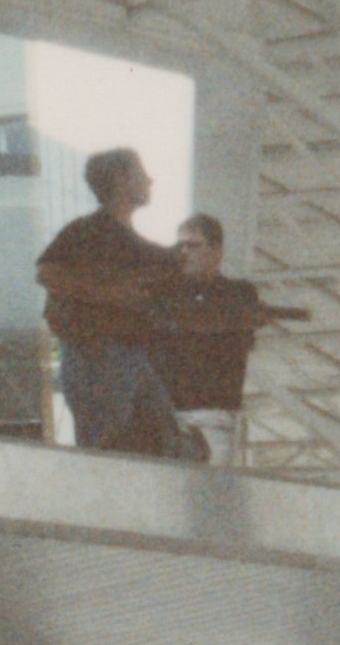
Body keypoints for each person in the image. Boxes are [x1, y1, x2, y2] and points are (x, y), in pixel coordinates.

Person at [34, 149, 201, 459]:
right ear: (121, 180)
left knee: (161, 441)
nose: (149, 179)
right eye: (140, 173)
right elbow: (47, 272)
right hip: (97, 356)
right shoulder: (87, 231)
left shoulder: (131, 243)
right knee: (109, 451)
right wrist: (110, 294)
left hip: (126, 357)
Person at [149, 213, 269, 468]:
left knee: (209, 497)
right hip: (165, 416)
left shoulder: (239, 293)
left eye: (193, 245)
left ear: (217, 250)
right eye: (180, 246)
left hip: (212, 415)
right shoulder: (164, 293)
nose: (184, 252)